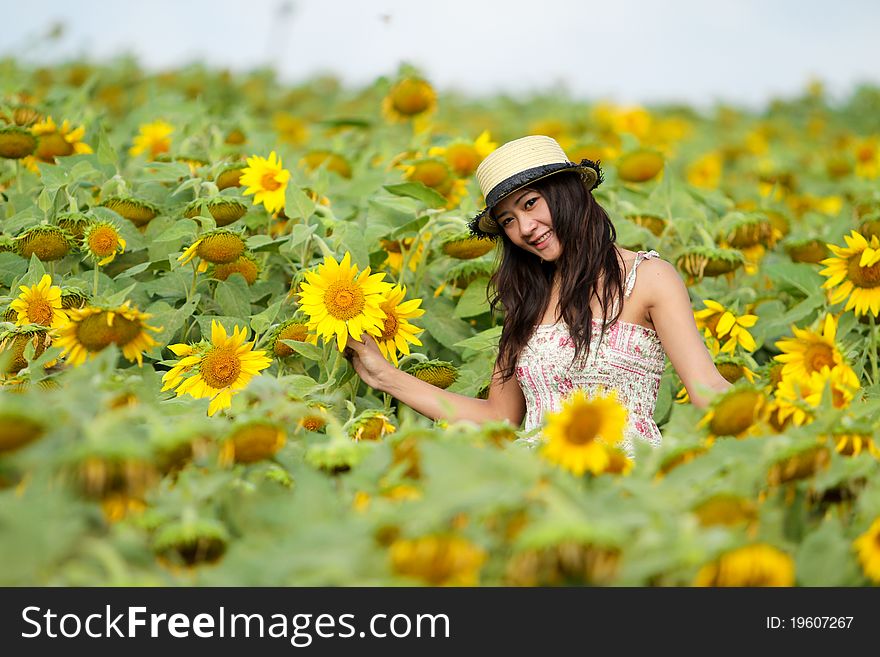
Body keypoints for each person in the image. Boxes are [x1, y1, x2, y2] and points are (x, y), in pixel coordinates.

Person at [346, 135, 731, 456]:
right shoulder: (529, 301)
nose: (525, 228)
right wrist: (385, 376)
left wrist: (776, 415)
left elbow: (707, 388)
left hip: (623, 485)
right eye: (509, 220)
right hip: (536, 491)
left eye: (531, 203)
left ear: (569, 194)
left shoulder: (648, 278)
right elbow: (500, 416)